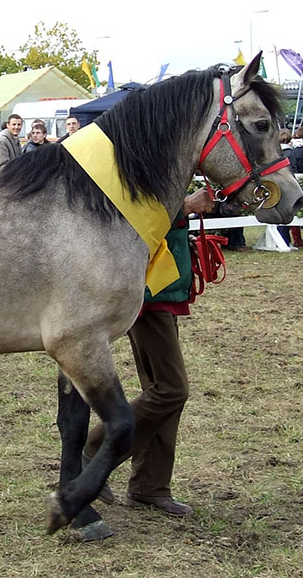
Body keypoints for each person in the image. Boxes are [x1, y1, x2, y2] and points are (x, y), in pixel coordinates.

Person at [82, 188, 216, 517]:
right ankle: (93, 452)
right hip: (150, 289)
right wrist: (185, 206)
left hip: (162, 286)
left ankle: (150, 485)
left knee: (160, 390)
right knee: (171, 389)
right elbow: (138, 214)